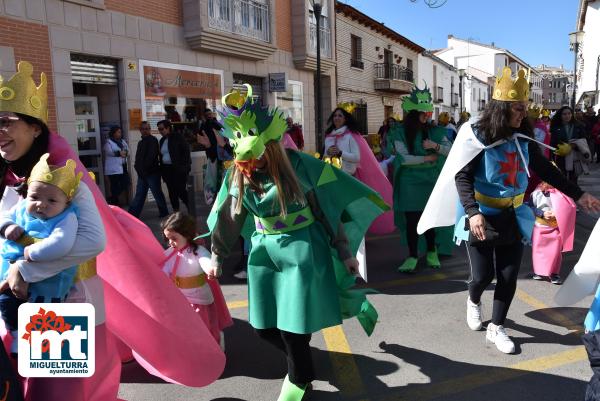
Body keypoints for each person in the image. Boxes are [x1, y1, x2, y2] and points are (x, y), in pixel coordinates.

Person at [0, 61, 225, 399]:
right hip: (18, 306)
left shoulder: (62, 169)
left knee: (53, 392)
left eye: (6, 121)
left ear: (35, 128)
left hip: (62, 302)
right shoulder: (10, 174)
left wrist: (26, 267)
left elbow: (92, 239)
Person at [208, 84, 383, 401]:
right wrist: (218, 254)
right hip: (263, 253)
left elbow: (328, 208)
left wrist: (345, 253)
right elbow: (228, 216)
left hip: (303, 249)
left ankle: (300, 376)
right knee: (263, 326)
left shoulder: (303, 166)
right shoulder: (237, 174)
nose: (251, 157)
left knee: (293, 327)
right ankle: (299, 359)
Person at [418, 67, 600, 355]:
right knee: (482, 276)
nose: (522, 113)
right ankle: (473, 300)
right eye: (517, 108)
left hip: (513, 217)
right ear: (502, 108)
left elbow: (544, 171)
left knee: (508, 274)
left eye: (524, 108)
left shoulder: (523, 138)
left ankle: (497, 326)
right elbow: (461, 176)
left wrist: (579, 195)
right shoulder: (477, 135)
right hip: (481, 216)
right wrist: (472, 211)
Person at [0, 154, 82, 355]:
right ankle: (18, 333)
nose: (40, 204)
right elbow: (5, 216)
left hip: (47, 279)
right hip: (11, 274)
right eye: (34, 197)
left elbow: (62, 243)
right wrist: (7, 226)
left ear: (67, 202)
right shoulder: (21, 208)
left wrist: (31, 253)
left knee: (44, 317)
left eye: (51, 200)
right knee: (7, 305)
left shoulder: (67, 217)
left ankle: (37, 350)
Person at [386, 84, 454, 273]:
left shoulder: (435, 132)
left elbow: (451, 152)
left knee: (430, 218)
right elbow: (403, 159)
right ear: (414, 113)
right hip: (409, 183)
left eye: (428, 113)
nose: (427, 116)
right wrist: (427, 157)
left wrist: (435, 146)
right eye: (423, 113)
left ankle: (432, 252)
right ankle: (412, 255)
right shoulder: (399, 132)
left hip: (430, 181)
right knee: (412, 220)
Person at [161, 212, 232, 347]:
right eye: (167, 239)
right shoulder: (170, 253)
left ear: (186, 235)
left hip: (198, 301)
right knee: (186, 332)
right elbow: (163, 270)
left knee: (203, 329)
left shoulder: (198, 251)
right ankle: (194, 353)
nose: (170, 242)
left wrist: (211, 269)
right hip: (180, 300)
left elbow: (205, 261)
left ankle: (213, 349)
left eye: (174, 238)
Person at [323, 105, 395, 234]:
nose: (337, 118)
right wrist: (328, 153)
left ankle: (354, 235)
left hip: (348, 178)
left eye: (340, 115)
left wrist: (340, 153)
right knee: (334, 209)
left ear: (345, 119)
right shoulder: (329, 136)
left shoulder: (350, 136)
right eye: (335, 115)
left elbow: (356, 158)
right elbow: (325, 157)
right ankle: (338, 235)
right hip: (332, 178)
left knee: (350, 210)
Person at [529, 181, 576, 284]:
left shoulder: (561, 194)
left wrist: (557, 213)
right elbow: (530, 206)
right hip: (540, 226)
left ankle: (554, 273)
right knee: (538, 251)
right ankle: (538, 271)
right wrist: (542, 213)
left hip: (555, 226)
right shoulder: (535, 193)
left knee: (555, 252)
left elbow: (569, 206)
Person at [128, 121, 169, 218]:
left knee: (157, 194)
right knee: (139, 195)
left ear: (150, 130)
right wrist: (138, 169)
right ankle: (132, 215)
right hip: (142, 174)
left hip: (152, 173)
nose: (145, 131)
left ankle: (164, 213)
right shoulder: (140, 142)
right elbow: (137, 158)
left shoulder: (153, 140)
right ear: (140, 130)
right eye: (143, 129)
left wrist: (143, 170)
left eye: (147, 129)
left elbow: (151, 157)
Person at [158, 119, 191, 212]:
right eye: (159, 129)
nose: (160, 131)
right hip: (167, 169)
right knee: (171, 191)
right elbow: (161, 155)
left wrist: (184, 167)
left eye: (162, 129)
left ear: (168, 128)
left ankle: (190, 207)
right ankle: (176, 211)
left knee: (180, 190)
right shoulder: (162, 140)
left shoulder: (178, 137)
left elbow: (186, 152)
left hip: (178, 169)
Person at [550, 106, 588, 184]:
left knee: (573, 179)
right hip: (561, 156)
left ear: (572, 114)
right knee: (562, 179)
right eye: (564, 114)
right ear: (560, 115)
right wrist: (551, 158)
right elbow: (552, 143)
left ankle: (574, 195)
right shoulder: (555, 127)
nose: (567, 116)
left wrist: (573, 145)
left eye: (569, 113)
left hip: (574, 156)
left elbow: (584, 139)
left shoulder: (579, 126)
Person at [103, 125, 129, 205]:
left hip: (123, 166)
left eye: (120, 132)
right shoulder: (108, 142)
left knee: (126, 183)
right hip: (113, 169)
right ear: (113, 133)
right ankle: (115, 202)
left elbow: (128, 150)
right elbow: (108, 152)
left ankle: (112, 198)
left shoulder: (122, 141)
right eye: (118, 132)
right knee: (114, 186)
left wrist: (125, 153)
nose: (120, 134)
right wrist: (119, 153)